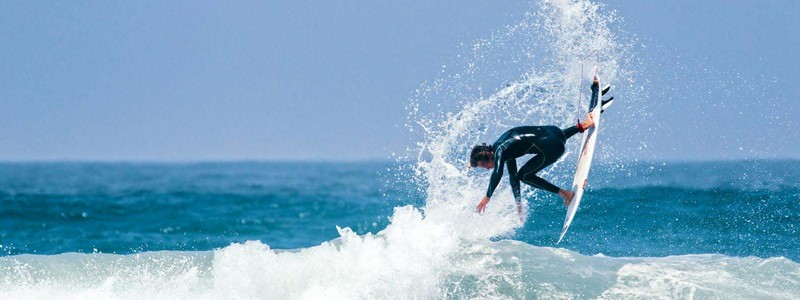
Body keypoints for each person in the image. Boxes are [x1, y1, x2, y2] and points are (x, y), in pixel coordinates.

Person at [472, 77, 604, 217]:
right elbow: (513, 177)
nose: (487, 168)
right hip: (557, 132)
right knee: (527, 162)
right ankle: (582, 125)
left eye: (484, 164)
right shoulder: (504, 147)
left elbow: (497, 173)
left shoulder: (499, 152)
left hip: (555, 147)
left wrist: (487, 197)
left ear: (489, 154)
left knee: (525, 175)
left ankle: (565, 194)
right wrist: (518, 203)